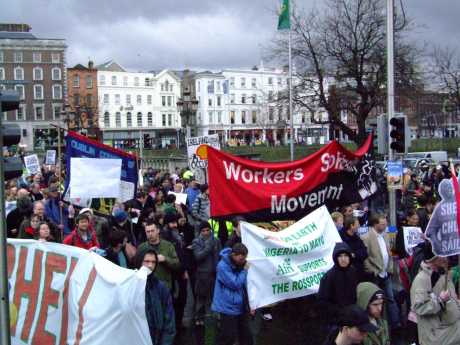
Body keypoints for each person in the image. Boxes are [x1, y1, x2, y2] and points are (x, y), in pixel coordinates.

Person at [410, 242, 460, 345]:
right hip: (436, 335)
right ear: (435, 258)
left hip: (448, 329)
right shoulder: (422, 279)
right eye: (443, 255)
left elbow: (451, 297)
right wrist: (440, 300)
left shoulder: (442, 273)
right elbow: (419, 307)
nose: (446, 258)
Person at [361, 214, 400, 329]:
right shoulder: (366, 237)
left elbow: (390, 252)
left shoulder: (386, 236)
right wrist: (371, 270)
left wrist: (390, 267)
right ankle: (377, 325)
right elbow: (365, 257)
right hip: (376, 274)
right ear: (375, 224)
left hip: (385, 273)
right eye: (383, 224)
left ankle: (395, 323)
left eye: (385, 223)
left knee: (390, 298)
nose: (385, 225)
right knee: (375, 301)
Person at [212, 243, 252, 345]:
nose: (243, 261)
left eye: (244, 259)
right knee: (227, 337)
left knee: (246, 336)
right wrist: (244, 271)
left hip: (240, 306)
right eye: (241, 259)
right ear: (233, 255)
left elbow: (245, 285)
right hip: (227, 307)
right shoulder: (222, 266)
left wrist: (251, 304)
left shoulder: (239, 263)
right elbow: (235, 284)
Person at [141, 249, 176, 345]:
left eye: (153, 262)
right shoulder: (131, 286)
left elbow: (169, 320)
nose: (150, 265)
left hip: (156, 339)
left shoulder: (161, 287)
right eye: (147, 261)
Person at [318, 242, 358, 326]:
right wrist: (340, 311)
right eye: (340, 256)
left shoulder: (353, 271)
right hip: (335, 321)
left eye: (346, 255)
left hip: (352, 317)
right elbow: (322, 302)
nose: (343, 259)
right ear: (335, 258)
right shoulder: (328, 277)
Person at [192, 221, 221, 326]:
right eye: (203, 231)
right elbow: (198, 257)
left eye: (207, 230)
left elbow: (220, 255)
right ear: (200, 232)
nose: (205, 232)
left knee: (215, 296)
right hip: (202, 275)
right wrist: (208, 246)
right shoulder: (196, 242)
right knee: (201, 297)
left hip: (215, 274)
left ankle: (215, 318)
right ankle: (198, 317)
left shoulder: (216, 240)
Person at [137, 220, 180, 290]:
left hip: (166, 286)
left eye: (152, 231)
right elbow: (137, 267)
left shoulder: (168, 245)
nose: (150, 234)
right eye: (148, 232)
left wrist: (165, 259)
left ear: (158, 231)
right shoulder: (141, 248)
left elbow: (177, 264)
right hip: (148, 287)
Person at [340, 216, 368, 281]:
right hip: (347, 275)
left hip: (359, 273)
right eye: (357, 224)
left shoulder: (357, 238)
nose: (359, 226)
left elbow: (365, 253)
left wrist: (355, 254)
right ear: (352, 226)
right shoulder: (341, 238)